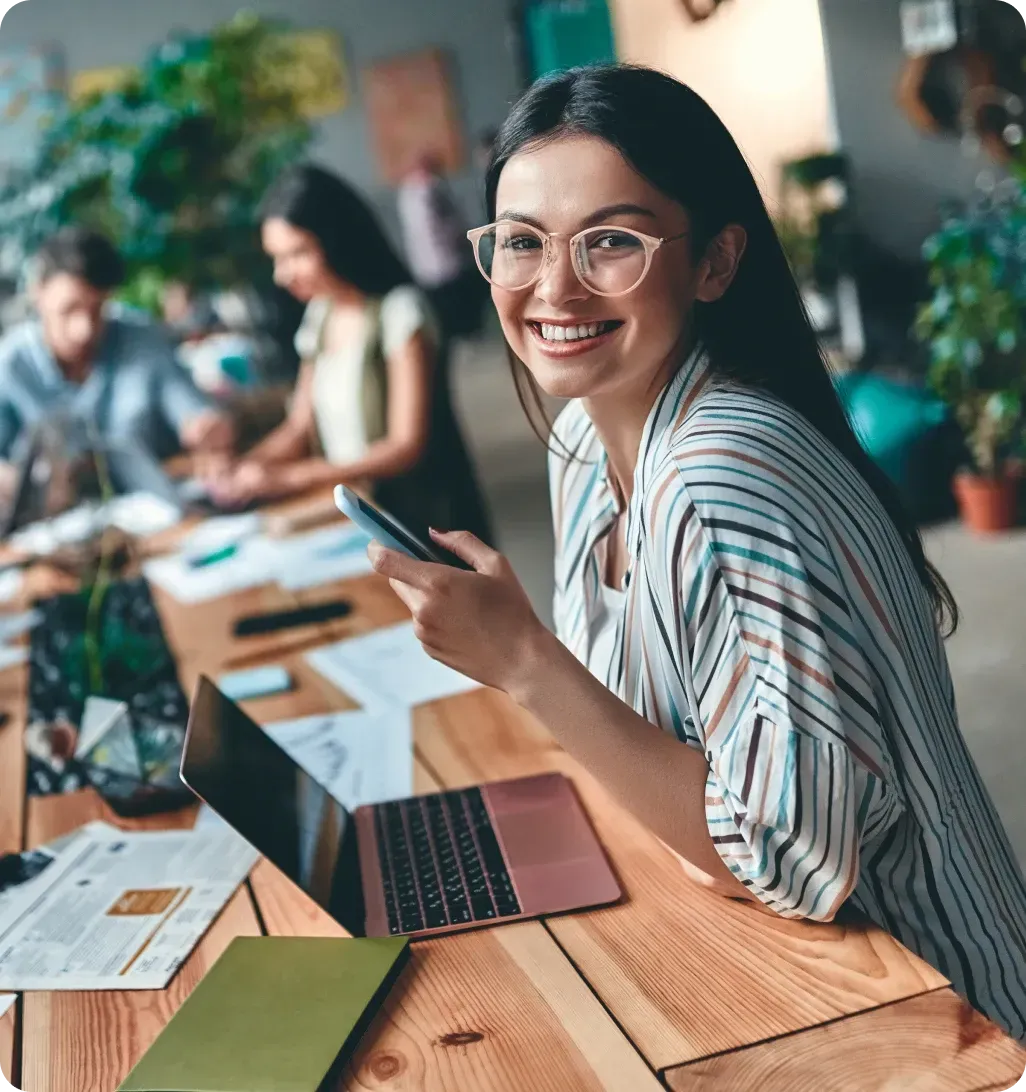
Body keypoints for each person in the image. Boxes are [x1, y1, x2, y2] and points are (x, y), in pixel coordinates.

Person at [366, 65, 1026, 1039]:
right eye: (520, 243)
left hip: (931, 1016)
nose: (553, 288)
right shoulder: (587, 439)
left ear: (716, 263)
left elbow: (792, 862)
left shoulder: (724, 472)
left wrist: (522, 661)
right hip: (787, 975)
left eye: (613, 242)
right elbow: (658, 750)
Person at [206, 165, 493, 543]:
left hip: (423, 523)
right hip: (359, 517)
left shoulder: (401, 312)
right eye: (276, 258)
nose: (282, 275)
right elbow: (299, 426)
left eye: (297, 254)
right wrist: (246, 468)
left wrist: (294, 476)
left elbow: (406, 445)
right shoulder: (320, 315)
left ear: (336, 240)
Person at [0, 228, 232, 471]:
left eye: (97, 310)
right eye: (69, 310)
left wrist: (206, 429)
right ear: (37, 291)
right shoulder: (9, 366)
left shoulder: (141, 340)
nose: (84, 330)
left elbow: (191, 410)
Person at [396, 154, 487, 340]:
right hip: (449, 262)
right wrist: (463, 235)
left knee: (447, 313)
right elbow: (445, 224)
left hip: (426, 267)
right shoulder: (432, 188)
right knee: (462, 310)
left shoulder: (407, 192)